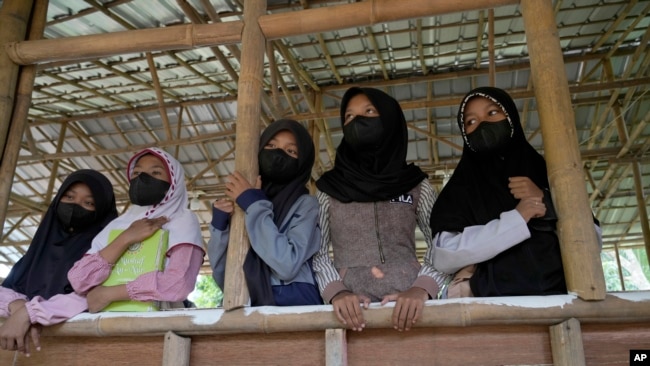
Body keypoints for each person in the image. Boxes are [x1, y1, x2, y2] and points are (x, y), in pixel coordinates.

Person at [429, 86, 601, 298]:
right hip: (489, 309)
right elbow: (444, 257)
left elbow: (593, 239)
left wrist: (547, 201)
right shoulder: (460, 190)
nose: (482, 124)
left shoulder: (549, 174)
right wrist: (517, 219)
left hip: (564, 300)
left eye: (492, 113)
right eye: (471, 122)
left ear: (511, 117)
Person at [313, 87, 447, 332]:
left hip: (412, 308)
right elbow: (317, 252)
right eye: (349, 117)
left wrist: (422, 288)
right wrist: (337, 292)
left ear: (389, 119)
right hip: (349, 314)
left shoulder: (416, 185)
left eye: (369, 111)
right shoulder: (328, 189)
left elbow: (442, 242)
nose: (358, 121)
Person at [68, 147, 204, 312]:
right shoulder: (118, 225)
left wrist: (107, 295)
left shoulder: (182, 220)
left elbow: (178, 284)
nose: (143, 178)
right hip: (106, 323)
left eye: (155, 173)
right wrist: (126, 237)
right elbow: (79, 280)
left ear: (174, 181)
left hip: (156, 325)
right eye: (137, 173)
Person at [0, 169, 117, 356]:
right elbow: (6, 289)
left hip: (84, 352)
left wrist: (31, 313)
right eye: (69, 197)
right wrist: (19, 307)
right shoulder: (39, 250)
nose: (75, 206)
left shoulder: (105, 251)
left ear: (102, 209)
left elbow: (89, 297)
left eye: (88, 203)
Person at [208, 119, 322, 306]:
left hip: (293, 309)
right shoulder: (241, 200)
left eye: (291, 151)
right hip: (243, 307)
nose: (278, 154)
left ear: (302, 163)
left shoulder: (306, 205)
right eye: (270, 145)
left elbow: (286, 264)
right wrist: (220, 228)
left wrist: (254, 204)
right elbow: (223, 277)